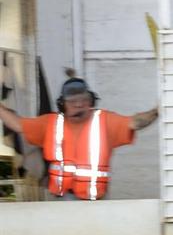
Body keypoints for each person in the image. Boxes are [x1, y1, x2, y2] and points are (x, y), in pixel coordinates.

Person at [0, 77, 158, 200]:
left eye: (84, 99)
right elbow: (18, 124)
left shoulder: (105, 120)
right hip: (61, 200)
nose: (79, 104)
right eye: (72, 101)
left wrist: (158, 110)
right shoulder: (50, 123)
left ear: (91, 101)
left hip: (96, 201)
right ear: (62, 105)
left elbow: (135, 123)